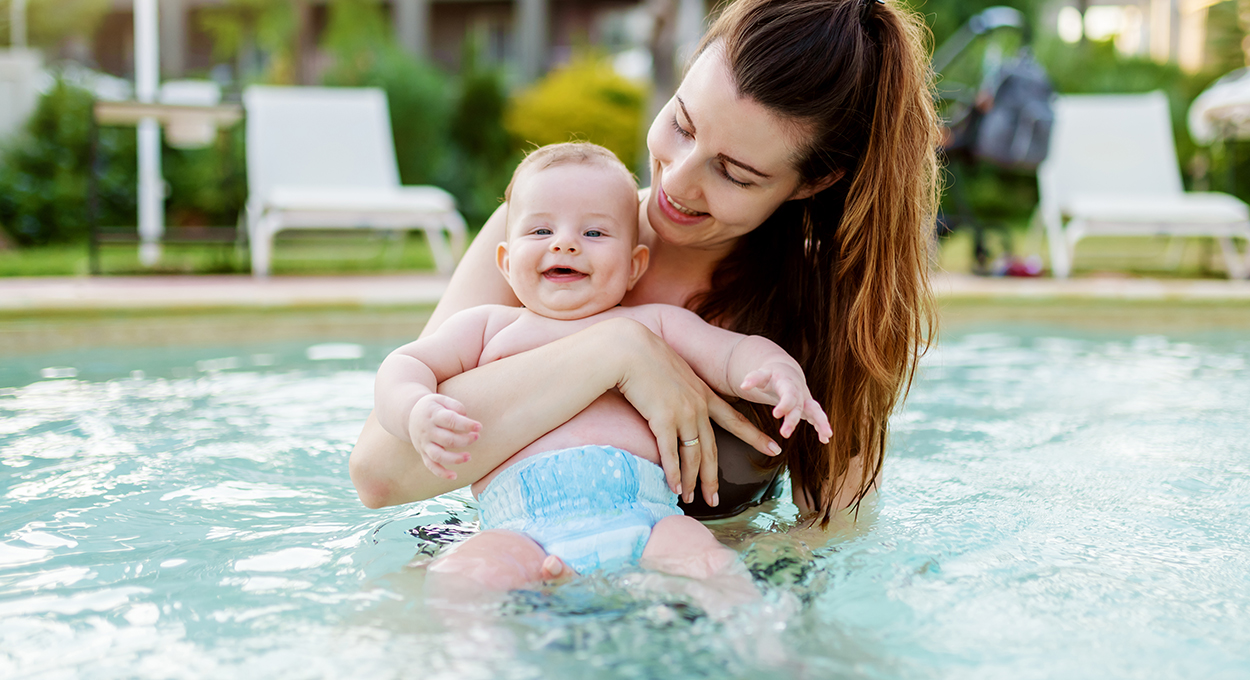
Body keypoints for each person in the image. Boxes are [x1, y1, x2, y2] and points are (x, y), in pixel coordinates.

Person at [351, 0, 940, 531]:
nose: (677, 181)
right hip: (523, 573)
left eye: (735, 173)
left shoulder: (830, 302)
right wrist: (619, 352)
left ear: (812, 182)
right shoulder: (536, 238)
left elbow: (834, 531)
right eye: (682, 124)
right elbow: (381, 476)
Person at [376, 142, 832, 587]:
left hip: (647, 522)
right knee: (466, 573)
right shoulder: (487, 328)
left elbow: (731, 353)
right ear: (505, 259)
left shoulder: (654, 323)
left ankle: (762, 647)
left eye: (593, 233)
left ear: (634, 267)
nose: (566, 245)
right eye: (540, 232)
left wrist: (779, 371)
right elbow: (406, 364)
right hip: (518, 532)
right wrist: (415, 409)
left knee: (708, 563)